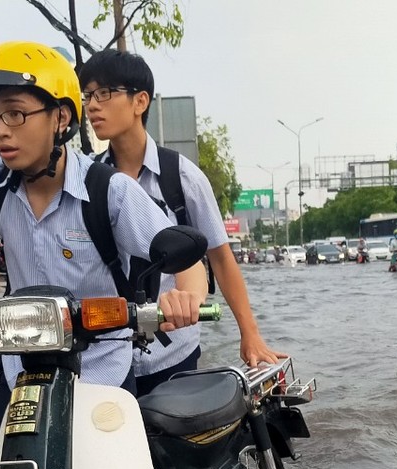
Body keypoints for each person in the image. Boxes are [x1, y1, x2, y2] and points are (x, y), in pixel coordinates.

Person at [0, 40, 205, 469]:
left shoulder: (110, 191)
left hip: (102, 367)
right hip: (23, 372)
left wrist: (185, 297)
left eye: (15, 113)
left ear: (61, 117)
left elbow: (183, 257)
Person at [79, 48, 283, 395]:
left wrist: (250, 334)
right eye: (87, 96)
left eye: (104, 93)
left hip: (173, 353)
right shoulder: (89, 181)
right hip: (105, 358)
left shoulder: (181, 178)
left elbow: (220, 258)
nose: (93, 106)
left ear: (140, 101)